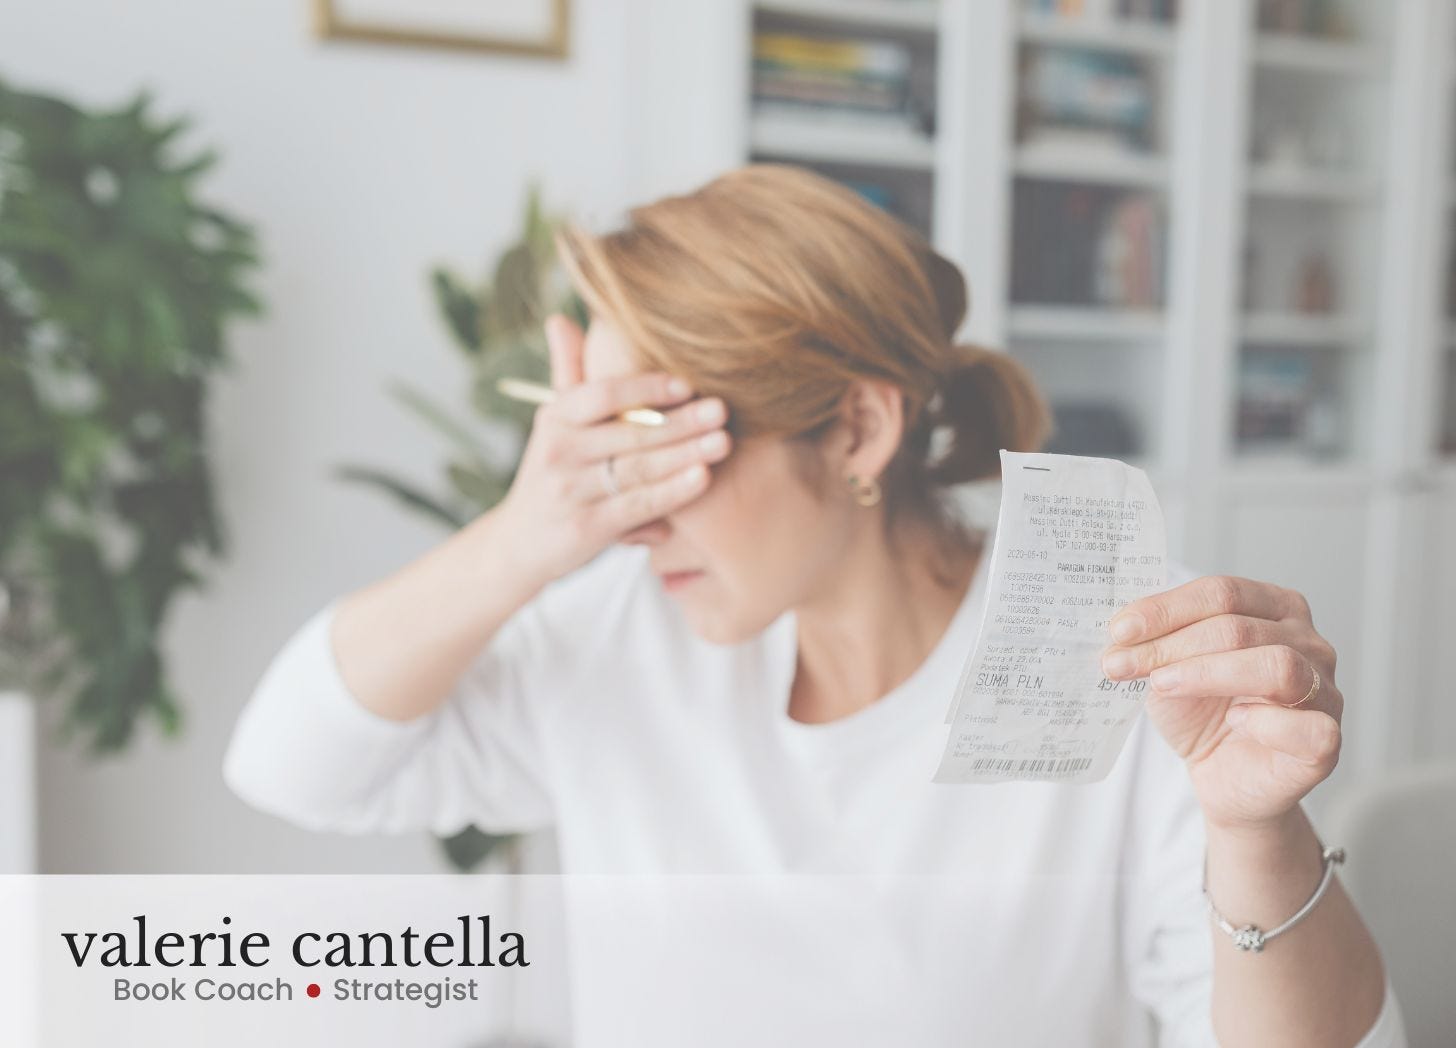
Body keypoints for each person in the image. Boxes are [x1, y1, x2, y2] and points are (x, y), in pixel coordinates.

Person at [224, 165, 1406, 1047]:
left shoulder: (1118, 657)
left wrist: (1257, 837)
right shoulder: (624, 629)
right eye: (603, 457)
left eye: (661, 448)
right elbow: (291, 768)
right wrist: (521, 536)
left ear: (854, 428)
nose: (631, 519)